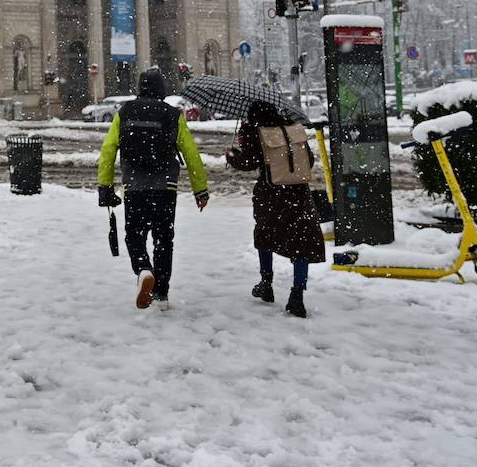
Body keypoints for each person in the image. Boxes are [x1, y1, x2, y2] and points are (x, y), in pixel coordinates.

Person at [97, 69, 210, 310]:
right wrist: (200, 189)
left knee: (135, 235)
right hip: (165, 188)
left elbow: (108, 149)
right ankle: (161, 293)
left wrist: (105, 186)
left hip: (135, 187)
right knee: (163, 238)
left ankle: (143, 269)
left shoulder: (125, 112)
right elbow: (190, 153)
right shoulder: (172, 114)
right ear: (162, 89)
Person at [226, 100, 325, 318]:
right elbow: (307, 161)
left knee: (265, 236)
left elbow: (248, 161)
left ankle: (266, 283)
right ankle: (297, 294)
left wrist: (231, 155)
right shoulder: (292, 128)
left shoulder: (257, 131)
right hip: (299, 194)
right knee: (302, 242)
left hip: (271, 196)